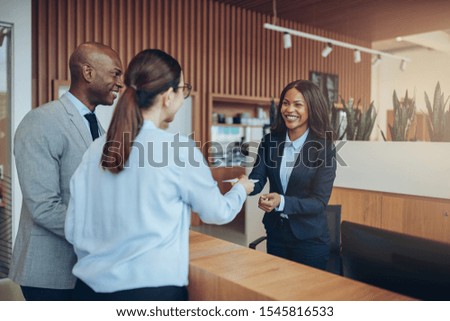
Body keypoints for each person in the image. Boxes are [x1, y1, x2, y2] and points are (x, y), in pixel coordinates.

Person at [64, 49, 254, 301]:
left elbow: (73, 228)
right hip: (150, 293)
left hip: (88, 292)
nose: (183, 98)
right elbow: (217, 212)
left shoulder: (96, 149)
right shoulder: (177, 148)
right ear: (167, 96)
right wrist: (241, 189)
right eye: (182, 90)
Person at [10, 42, 124, 300]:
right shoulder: (41, 121)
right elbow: (44, 206)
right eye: (115, 73)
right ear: (88, 73)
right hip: (49, 273)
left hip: (87, 269)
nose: (120, 83)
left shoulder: (98, 128)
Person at [249, 80, 336, 270]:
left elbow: (319, 202)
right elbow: (257, 177)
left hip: (310, 239)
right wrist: (243, 185)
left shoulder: (324, 148)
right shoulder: (270, 141)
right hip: (277, 233)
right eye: (286, 103)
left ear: (312, 108)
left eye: (298, 104)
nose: (289, 109)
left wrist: (281, 201)